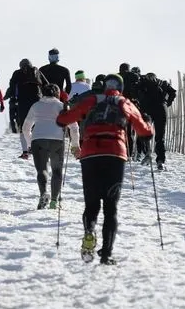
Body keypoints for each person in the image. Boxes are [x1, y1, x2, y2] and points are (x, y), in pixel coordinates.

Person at [56, 74, 153, 265]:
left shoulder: (93, 99)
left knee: (91, 205)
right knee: (111, 208)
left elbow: (63, 120)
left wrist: (65, 113)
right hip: (115, 154)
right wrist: (148, 123)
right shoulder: (124, 102)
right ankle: (106, 254)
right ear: (120, 86)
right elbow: (145, 132)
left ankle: (89, 232)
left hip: (90, 154)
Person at [22, 84, 80, 209]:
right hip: (57, 140)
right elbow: (74, 127)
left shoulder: (36, 106)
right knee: (57, 171)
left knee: (41, 169)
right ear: (58, 93)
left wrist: (29, 143)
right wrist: (75, 145)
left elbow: (26, 128)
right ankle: (54, 201)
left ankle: (43, 193)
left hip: (38, 139)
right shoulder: (61, 106)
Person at [6, 58, 49, 159]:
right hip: (37, 101)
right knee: (37, 126)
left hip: (23, 102)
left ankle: (25, 152)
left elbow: (12, 87)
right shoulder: (37, 71)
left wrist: (12, 98)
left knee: (24, 127)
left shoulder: (17, 73)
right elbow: (47, 84)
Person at [138, 72, 177, 171]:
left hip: (147, 109)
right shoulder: (163, 83)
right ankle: (160, 160)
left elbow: (135, 93)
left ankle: (147, 154)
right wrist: (167, 103)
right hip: (161, 109)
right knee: (160, 136)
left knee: (145, 133)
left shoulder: (142, 83)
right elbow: (173, 92)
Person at [118, 63, 142, 160]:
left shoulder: (117, 76)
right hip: (130, 105)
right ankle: (129, 154)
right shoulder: (134, 76)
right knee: (129, 131)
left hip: (118, 105)